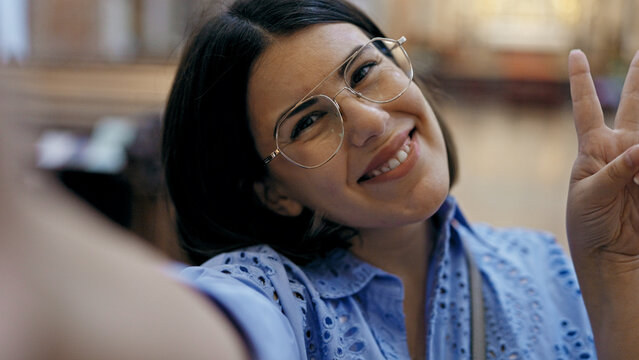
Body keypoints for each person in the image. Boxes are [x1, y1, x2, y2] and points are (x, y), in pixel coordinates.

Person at [1, 0, 638, 359]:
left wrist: (616, 277)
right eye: (308, 122)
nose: (367, 119)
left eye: (364, 72)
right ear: (272, 190)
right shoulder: (281, 297)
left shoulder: (544, 266)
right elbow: (211, 326)